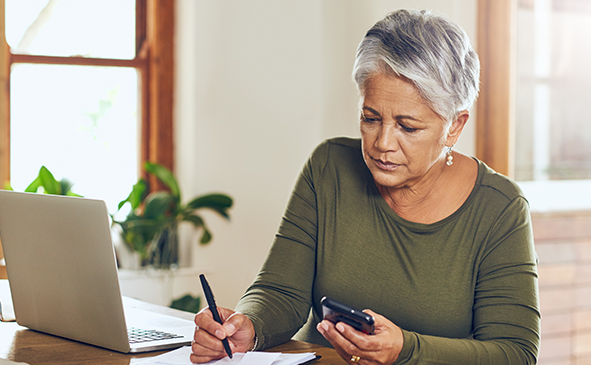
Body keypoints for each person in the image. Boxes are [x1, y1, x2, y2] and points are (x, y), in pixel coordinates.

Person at [190, 9, 540, 365]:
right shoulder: (329, 167)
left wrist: (405, 349)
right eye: (371, 118)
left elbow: (515, 353)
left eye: (408, 126)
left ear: (454, 126)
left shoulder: (500, 208)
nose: (383, 142)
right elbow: (281, 291)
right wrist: (249, 324)